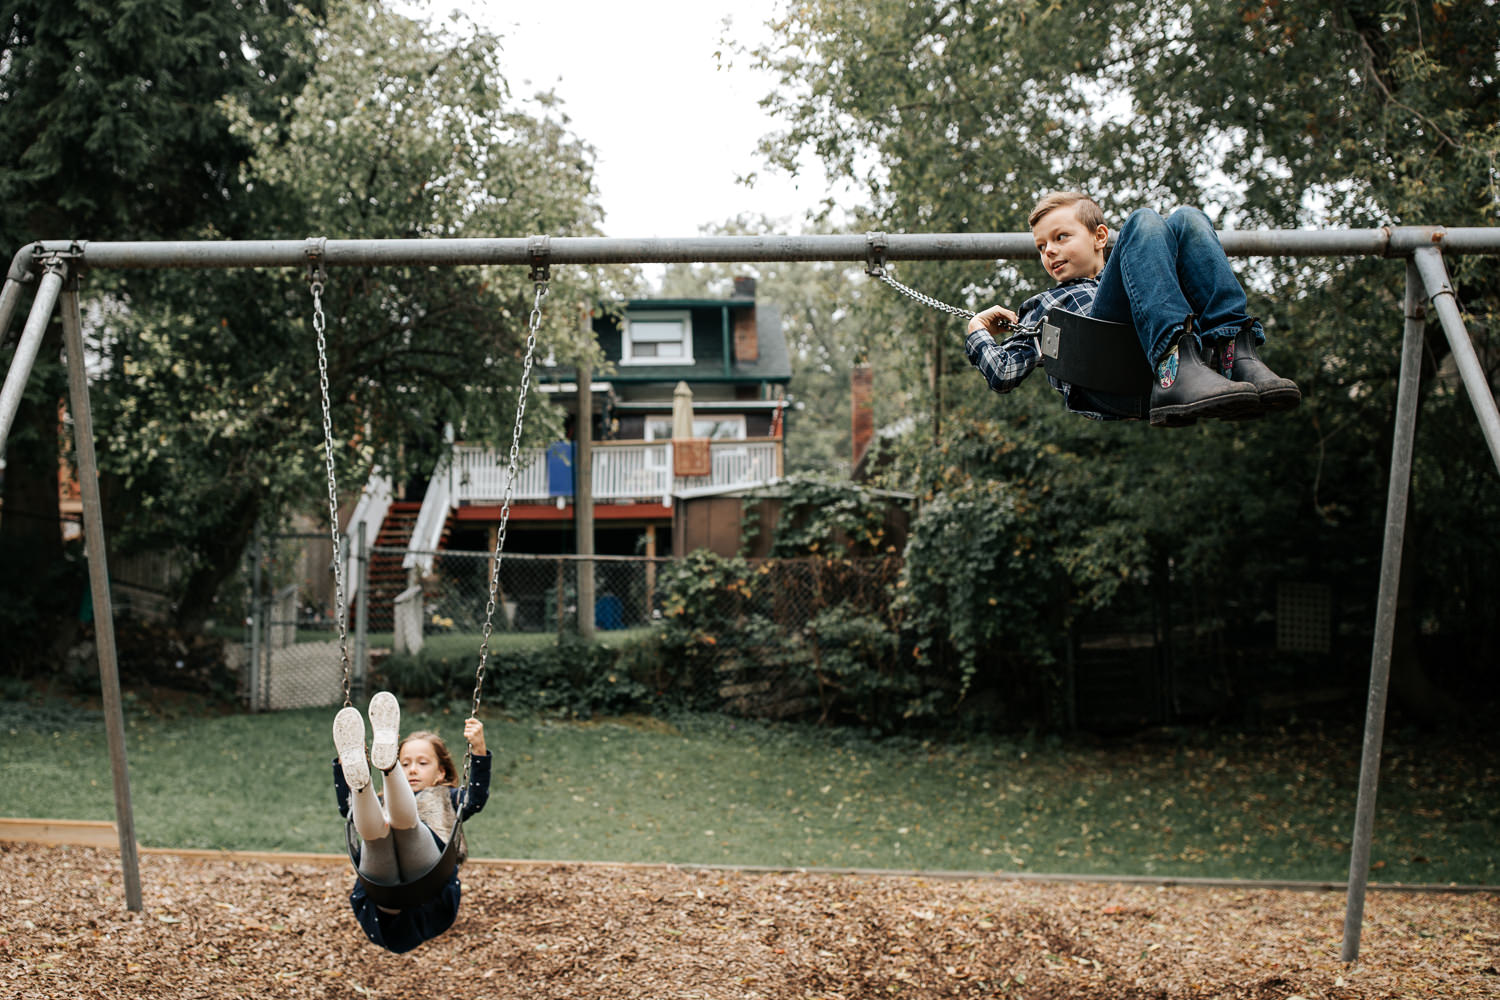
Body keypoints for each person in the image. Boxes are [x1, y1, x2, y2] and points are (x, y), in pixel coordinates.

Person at [966, 191, 1300, 426]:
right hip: (1104, 375)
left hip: (1155, 362)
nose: (1049, 251)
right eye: (1041, 246)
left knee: (1188, 218)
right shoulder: (1044, 306)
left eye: (1061, 237)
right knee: (1144, 220)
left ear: (1099, 237)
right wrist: (977, 329)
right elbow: (1003, 373)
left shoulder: (1149, 279)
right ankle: (1175, 368)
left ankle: (1235, 355)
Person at [332, 691, 491, 953]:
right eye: (405, 764)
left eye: (422, 763)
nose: (414, 769)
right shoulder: (378, 803)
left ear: (441, 773)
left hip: (428, 879)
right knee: (375, 830)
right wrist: (344, 762)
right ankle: (363, 777)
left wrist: (479, 748)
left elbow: (476, 798)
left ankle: (387, 767)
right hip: (384, 892)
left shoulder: (449, 796)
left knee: (404, 825)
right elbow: (347, 809)